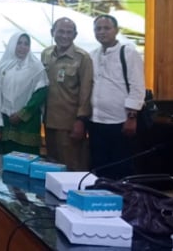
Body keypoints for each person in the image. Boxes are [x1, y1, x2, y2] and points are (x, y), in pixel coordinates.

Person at [88, 14, 145, 179]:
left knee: (120, 167)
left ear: (116, 30)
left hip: (120, 121)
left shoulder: (128, 53)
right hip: (96, 121)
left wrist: (132, 117)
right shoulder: (92, 55)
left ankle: (124, 202)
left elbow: (137, 86)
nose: (102, 32)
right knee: (100, 166)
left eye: (106, 28)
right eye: (98, 29)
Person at [41, 17, 93, 171]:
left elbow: (86, 91)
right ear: (52, 33)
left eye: (69, 32)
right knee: (52, 166)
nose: (65, 36)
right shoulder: (46, 54)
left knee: (71, 167)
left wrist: (81, 121)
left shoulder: (82, 57)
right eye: (61, 31)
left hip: (70, 124)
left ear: (75, 35)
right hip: (49, 123)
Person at [0, 32, 49, 155]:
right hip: (6, 120)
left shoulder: (36, 67)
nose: (22, 47)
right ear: (12, 45)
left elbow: (41, 92)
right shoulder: (3, 67)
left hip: (28, 121)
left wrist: (22, 114)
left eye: (26, 44)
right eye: (19, 43)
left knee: (26, 157)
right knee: (8, 157)